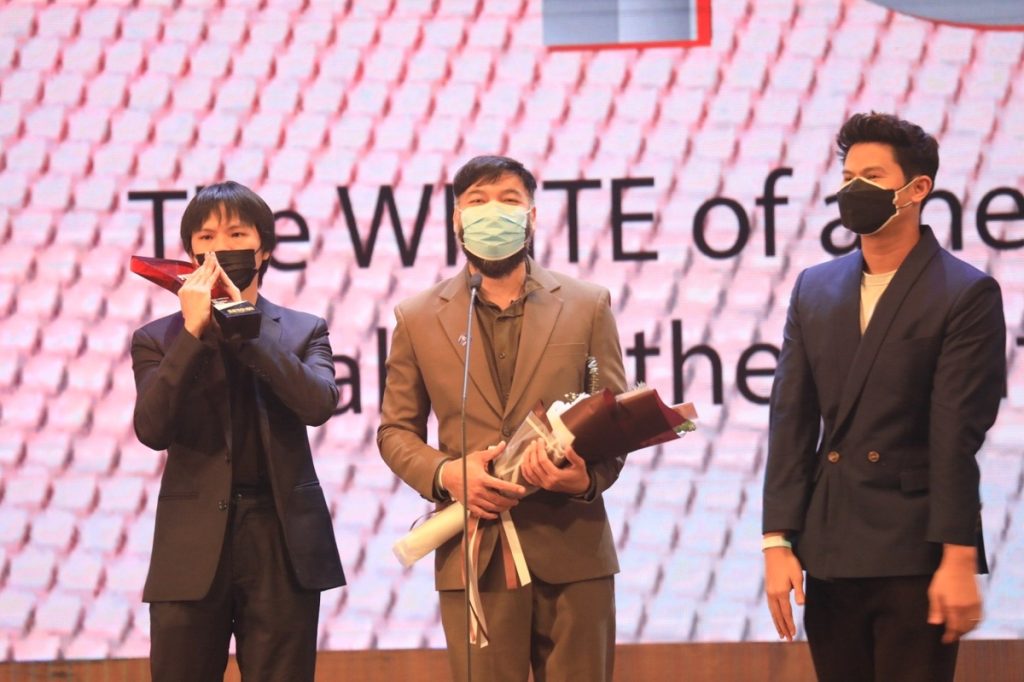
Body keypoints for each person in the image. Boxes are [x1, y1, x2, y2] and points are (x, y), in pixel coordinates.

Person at [762, 112, 1006, 682]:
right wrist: (777, 541)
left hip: (915, 552)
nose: (854, 189)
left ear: (917, 189)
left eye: (872, 177)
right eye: (848, 177)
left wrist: (958, 556)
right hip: (829, 547)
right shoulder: (814, 287)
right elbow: (791, 421)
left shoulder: (965, 292)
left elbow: (955, 436)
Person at [378, 155, 627, 681]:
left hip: (574, 548)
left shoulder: (587, 305)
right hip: (476, 555)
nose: (493, 211)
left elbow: (614, 418)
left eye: (509, 200)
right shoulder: (417, 318)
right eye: (477, 201)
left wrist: (586, 480)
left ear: (532, 216)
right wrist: (447, 473)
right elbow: (395, 431)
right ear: (456, 219)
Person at [131, 181, 345, 681]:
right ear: (190, 256)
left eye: (236, 234)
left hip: (281, 539)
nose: (220, 247)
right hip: (191, 543)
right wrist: (193, 333)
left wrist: (243, 327)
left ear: (264, 248)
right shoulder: (157, 339)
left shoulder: (304, 330)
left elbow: (317, 404)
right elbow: (152, 428)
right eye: (205, 238)